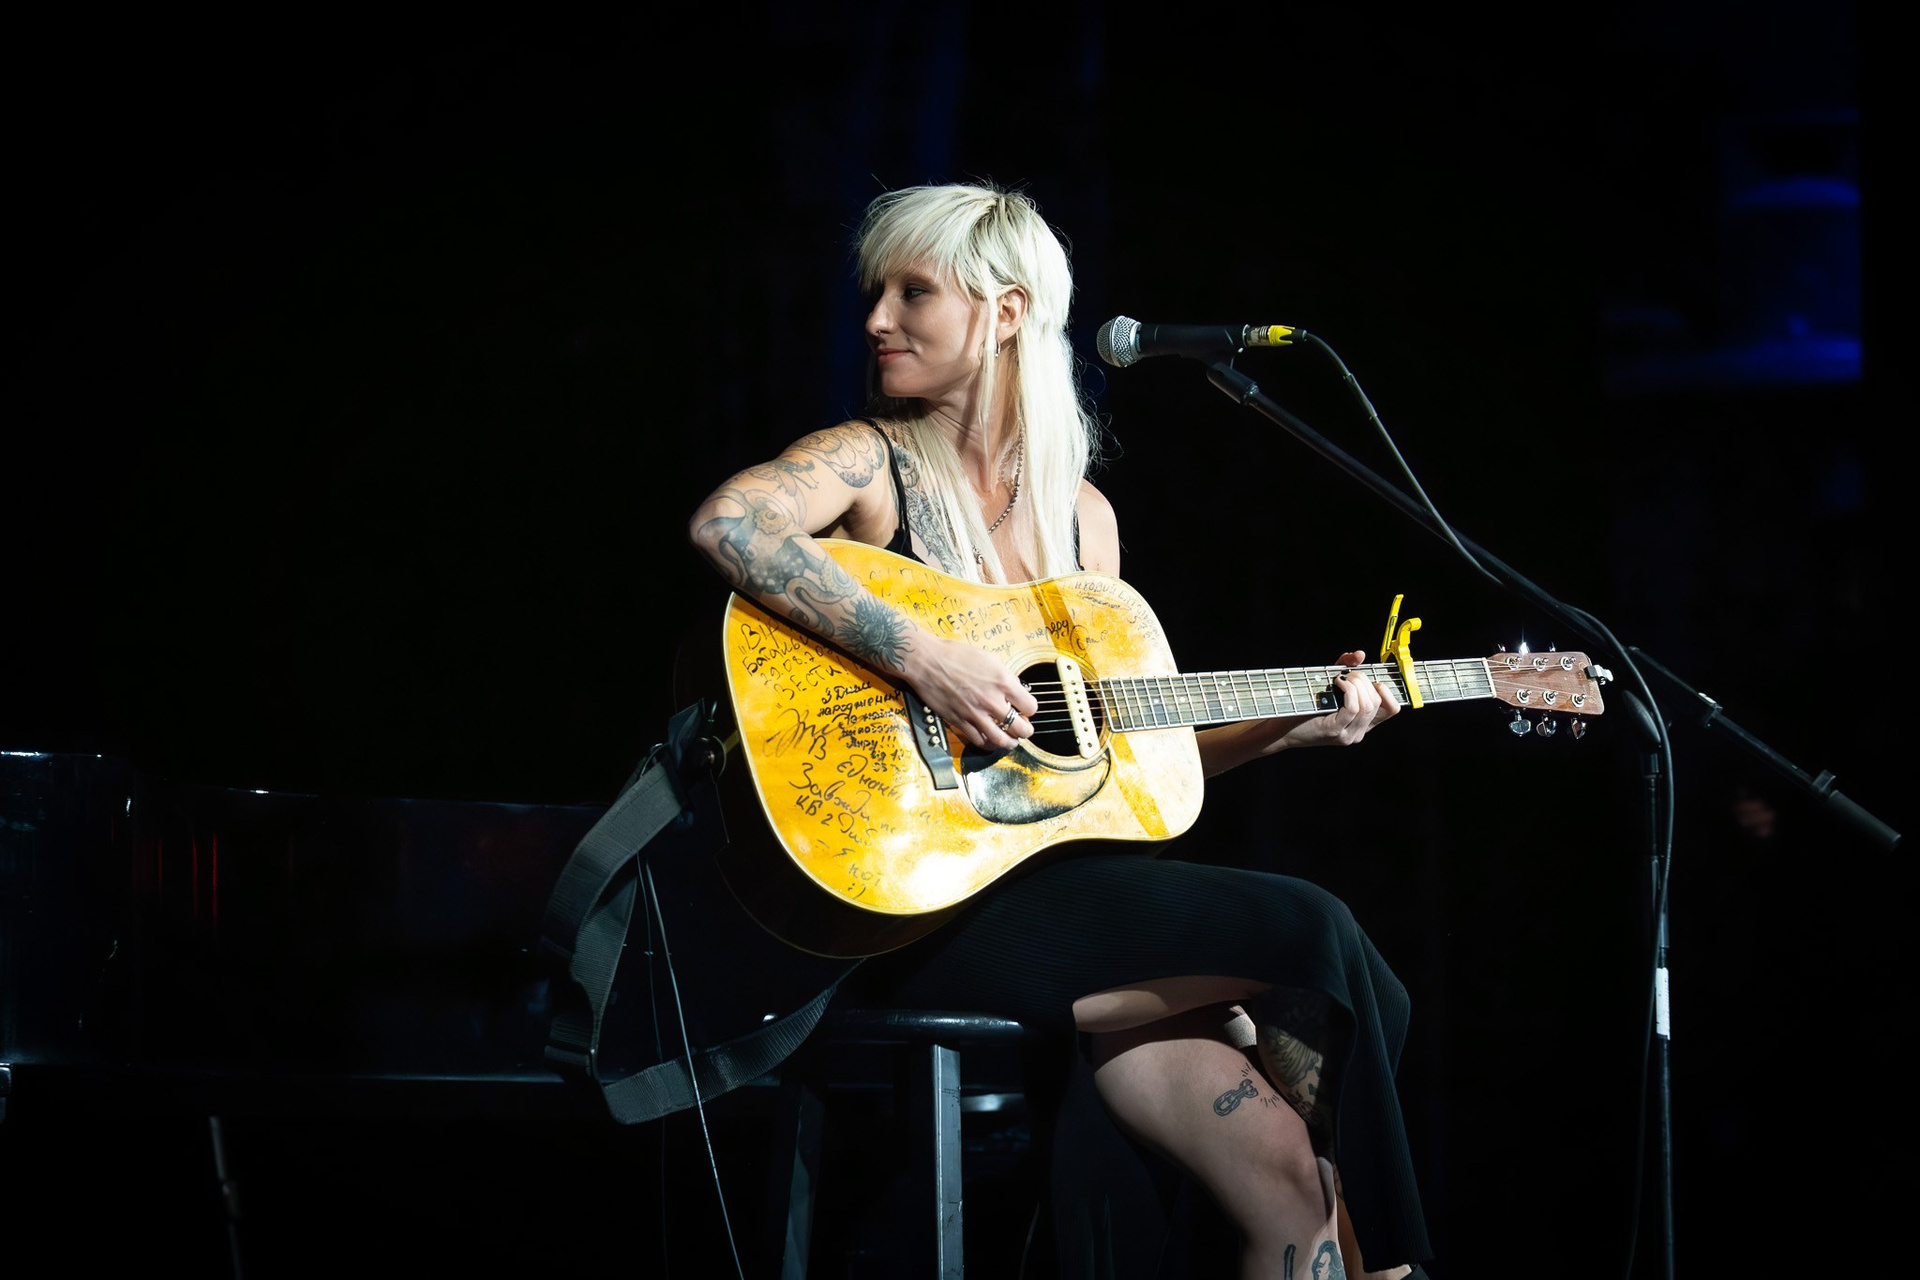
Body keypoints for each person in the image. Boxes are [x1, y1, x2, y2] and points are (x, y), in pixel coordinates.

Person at [685, 181, 1433, 1280]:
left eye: (913, 292)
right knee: (1316, 936)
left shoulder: (1083, 522)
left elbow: (1118, 759)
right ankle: (1402, 1265)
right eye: (877, 292)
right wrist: (926, 658)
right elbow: (728, 523)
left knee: (1288, 1169)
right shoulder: (866, 462)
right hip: (909, 909)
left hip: (1071, 902)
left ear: (1005, 311)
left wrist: (1293, 726)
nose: (877, 319)